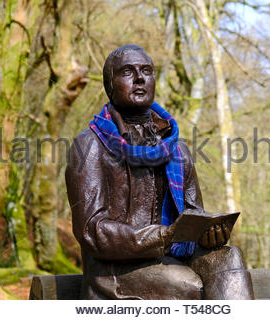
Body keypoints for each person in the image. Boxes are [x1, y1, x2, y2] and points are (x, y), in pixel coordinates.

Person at [65, 44, 254, 299]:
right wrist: (161, 236)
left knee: (230, 259)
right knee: (185, 283)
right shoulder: (89, 145)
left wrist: (209, 234)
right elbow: (93, 230)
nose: (140, 78)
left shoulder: (176, 149)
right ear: (110, 85)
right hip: (114, 272)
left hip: (173, 257)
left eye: (147, 71)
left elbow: (193, 216)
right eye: (128, 72)